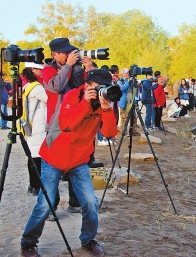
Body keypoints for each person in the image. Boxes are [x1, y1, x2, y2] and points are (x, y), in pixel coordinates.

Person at [20, 69, 116, 257]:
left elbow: (109, 133)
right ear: (87, 85)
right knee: (45, 204)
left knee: (90, 202)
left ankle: (88, 240)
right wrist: (85, 103)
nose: (101, 92)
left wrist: (106, 110)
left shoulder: (106, 102)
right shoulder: (73, 95)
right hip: (54, 157)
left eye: (105, 88)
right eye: (98, 88)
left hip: (79, 160)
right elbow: (66, 124)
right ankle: (28, 243)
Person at [42, 37, 97, 214]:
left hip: (77, 121)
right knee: (53, 166)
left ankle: (75, 202)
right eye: (64, 53)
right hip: (57, 125)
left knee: (78, 160)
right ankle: (52, 207)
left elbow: (86, 89)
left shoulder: (75, 69)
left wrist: (89, 70)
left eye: (69, 52)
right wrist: (67, 66)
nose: (68, 55)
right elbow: (56, 87)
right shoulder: (48, 69)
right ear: (54, 55)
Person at [20, 62, 47, 196]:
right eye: (39, 69)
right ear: (32, 70)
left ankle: (32, 185)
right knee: (37, 157)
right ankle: (37, 186)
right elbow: (49, 99)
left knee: (32, 156)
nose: (42, 71)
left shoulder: (26, 86)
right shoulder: (36, 88)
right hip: (38, 126)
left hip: (30, 126)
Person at [116, 68, 140, 136]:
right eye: (125, 73)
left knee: (134, 117)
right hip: (124, 102)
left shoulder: (132, 80)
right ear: (122, 74)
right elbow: (122, 88)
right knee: (124, 117)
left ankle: (133, 131)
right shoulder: (120, 81)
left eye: (128, 73)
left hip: (131, 101)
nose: (127, 74)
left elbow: (135, 90)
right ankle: (123, 131)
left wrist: (135, 83)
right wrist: (128, 82)